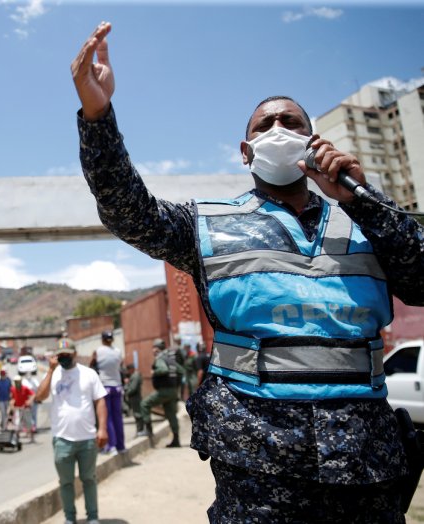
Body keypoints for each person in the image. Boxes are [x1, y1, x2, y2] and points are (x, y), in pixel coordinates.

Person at [72, 21, 424, 522]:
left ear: (313, 142)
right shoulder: (207, 224)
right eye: (265, 126)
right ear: (246, 151)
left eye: (291, 122)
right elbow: (127, 209)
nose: (278, 130)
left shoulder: (367, 222)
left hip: (363, 460)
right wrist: (97, 114)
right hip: (258, 460)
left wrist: (366, 201)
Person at [35, 338, 108, 524]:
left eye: (67, 355)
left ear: (75, 354)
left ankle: (92, 517)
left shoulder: (89, 374)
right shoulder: (54, 374)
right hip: (62, 439)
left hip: (87, 438)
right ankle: (70, 518)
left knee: (89, 479)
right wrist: (51, 370)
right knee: (66, 482)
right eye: (61, 356)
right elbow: (39, 396)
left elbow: (100, 401)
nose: (64, 359)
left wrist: (102, 429)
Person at [137, 339, 184, 447]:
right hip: (173, 391)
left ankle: (148, 430)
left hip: (164, 390)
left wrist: (154, 372)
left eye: (153, 348)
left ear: (157, 349)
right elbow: (181, 370)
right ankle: (176, 440)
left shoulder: (160, 359)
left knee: (144, 404)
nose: (153, 350)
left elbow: (163, 370)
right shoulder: (170, 359)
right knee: (171, 415)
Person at [89, 330, 124, 455]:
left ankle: (111, 446)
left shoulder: (97, 352)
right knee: (118, 418)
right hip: (117, 387)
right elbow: (121, 365)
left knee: (107, 418)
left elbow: (91, 366)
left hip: (104, 387)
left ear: (102, 339)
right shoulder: (118, 352)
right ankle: (121, 445)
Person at [10, 375, 35, 443]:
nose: (17, 383)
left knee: (29, 423)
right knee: (17, 424)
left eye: (18, 382)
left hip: (25, 408)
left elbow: (33, 394)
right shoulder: (13, 389)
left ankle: (32, 437)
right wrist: (12, 404)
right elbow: (12, 398)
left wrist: (29, 401)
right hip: (18, 408)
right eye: (16, 382)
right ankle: (17, 439)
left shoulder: (25, 388)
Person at [123, 363, 143, 437]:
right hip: (134, 398)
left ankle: (140, 430)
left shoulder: (135, 376)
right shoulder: (134, 376)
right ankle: (140, 431)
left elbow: (133, 388)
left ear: (131, 369)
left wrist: (126, 392)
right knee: (136, 414)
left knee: (138, 414)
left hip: (135, 398)